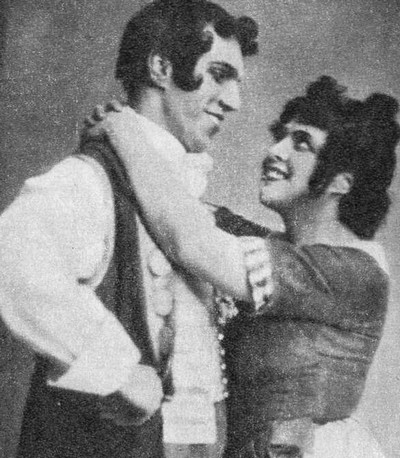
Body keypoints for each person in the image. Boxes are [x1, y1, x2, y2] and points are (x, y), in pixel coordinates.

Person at [86, 76, 399, 457]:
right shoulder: (275, 248)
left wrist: (122, 131)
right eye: (280, 137)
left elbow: (190, 241)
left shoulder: (354, 272)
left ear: (342, 182)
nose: (275, 151)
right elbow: (182, 210)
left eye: (301, 143)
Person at [0, 1, 258, 457]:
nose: (234, 101)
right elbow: (12, 255)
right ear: (160, 68)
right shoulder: (91, 178)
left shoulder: (191, 202)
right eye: (219, 74)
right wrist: (115, 370)